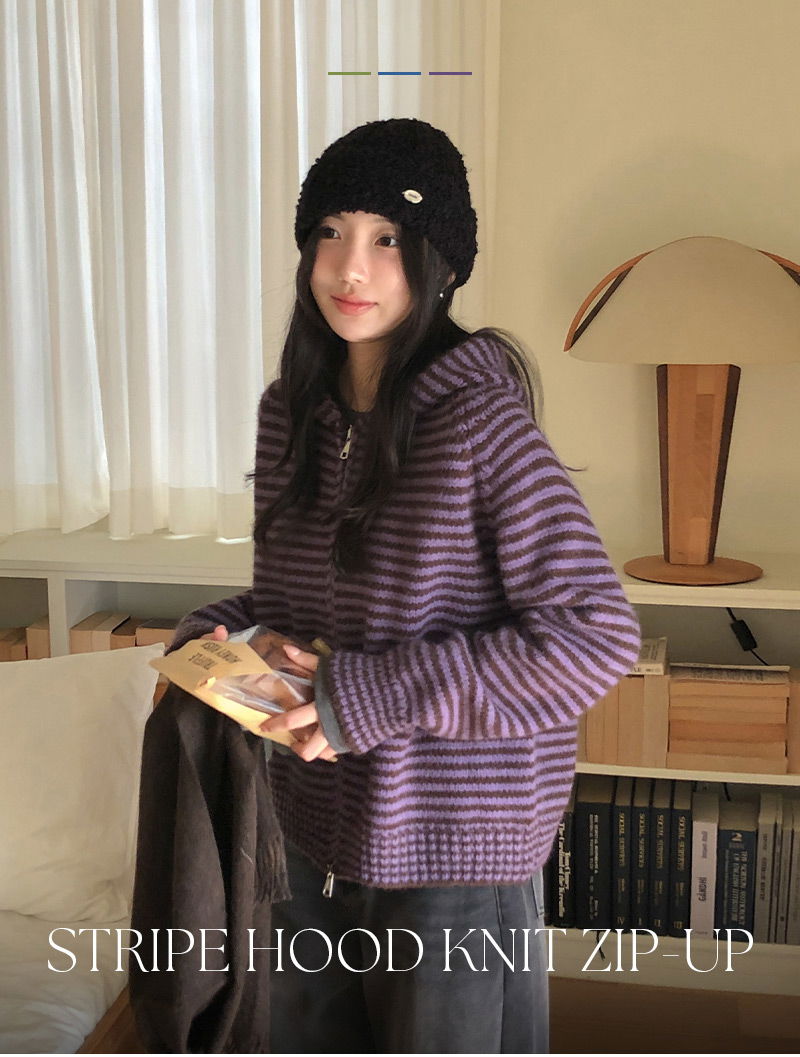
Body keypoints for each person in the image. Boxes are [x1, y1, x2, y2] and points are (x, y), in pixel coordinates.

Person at [166, 118, 642, 1054]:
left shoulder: (480, 424)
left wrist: (365, 696)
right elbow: (298, 609)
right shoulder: (288, 415)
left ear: (440, 264)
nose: (352, 266)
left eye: (388, 238)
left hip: (455, 852)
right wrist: (213, 644)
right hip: (310, 831)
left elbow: (594, 637)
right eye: (331, 232)